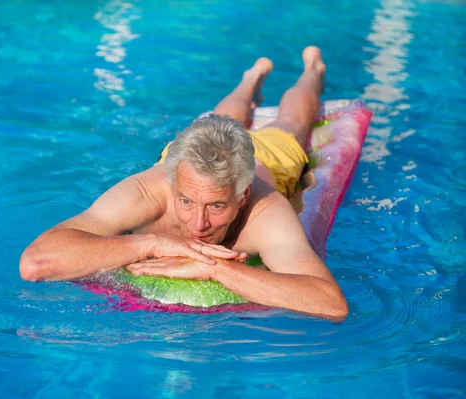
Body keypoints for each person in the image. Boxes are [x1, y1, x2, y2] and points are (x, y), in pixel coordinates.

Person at [20, 46, 348, 321]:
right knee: (216, 122)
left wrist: (216, 270)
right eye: (186, 202)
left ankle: (312, 71)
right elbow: (35, 264)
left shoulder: (265, 213)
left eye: (217, 206)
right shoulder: (147, 191)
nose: (198, 224)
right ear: (174, 183)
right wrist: (153, 244)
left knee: (290, 124)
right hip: (200, 155)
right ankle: (250, 82)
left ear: (242, 196)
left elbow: (331, 304)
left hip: (267, 159)